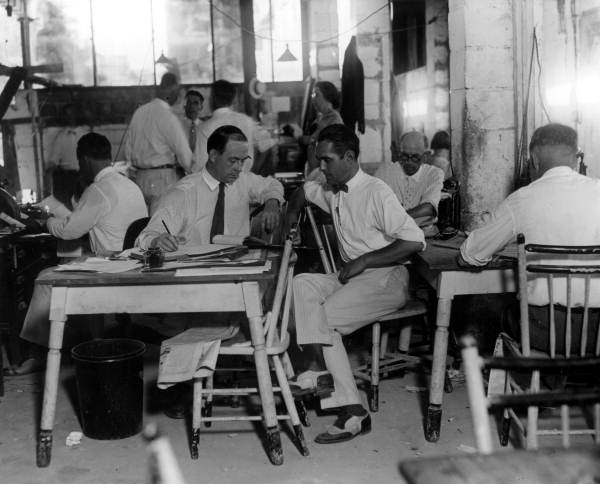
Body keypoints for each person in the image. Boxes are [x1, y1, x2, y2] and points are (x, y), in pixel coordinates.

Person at [285, 124, 425, 444]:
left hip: (387, 276)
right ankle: (319, 375)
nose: (321, 167)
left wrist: (365, 260)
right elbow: (301, 194)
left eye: (327, 160)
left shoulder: (376, 192)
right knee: (302, 284)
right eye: (319, 160)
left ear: (349, 157)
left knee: (326, 319)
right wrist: (290, 225)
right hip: (350, 276)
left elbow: (414, 241)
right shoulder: (333, 187)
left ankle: (353, 411)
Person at [8, 133, 148, 375]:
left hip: (109, 263)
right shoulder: (129, 184)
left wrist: (46, 221)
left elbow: (69, 231)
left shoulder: (99, 189)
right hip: (131, 260)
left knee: (45, 277)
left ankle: (38, 353)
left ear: (83, 159)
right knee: (71, 259)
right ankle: (92, 339)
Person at [459, 123, 600, 354]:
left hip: (543, 332)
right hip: (596, 333)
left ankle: (530, 377)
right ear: (576, 157)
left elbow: (470, 254)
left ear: (533, 159)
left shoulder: (522, 199)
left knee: (496, 306)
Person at [137, 125, 284, 251]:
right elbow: (145, 236)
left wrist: (272, 202)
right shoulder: (182, 193)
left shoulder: (243, 180)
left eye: (243, 161)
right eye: (233, 161)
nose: (239, 168)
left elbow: (273, 184)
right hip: (195, 275)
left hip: (238, 270)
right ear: (213, 155)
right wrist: (156, 241)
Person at [124, 72, 192, 212]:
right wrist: (194, 173)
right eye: (178, 92)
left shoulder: (139, 112)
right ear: (172, 91)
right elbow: (184, 154)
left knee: (143, 224)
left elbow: (127, 150)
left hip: (140, 178)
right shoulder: (168, 116)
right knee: (162, 226)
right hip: (162, 180)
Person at [374, 131, 444, 235]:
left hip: (421, 235)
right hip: (388, 233)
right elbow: (372, 204)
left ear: (425, 156)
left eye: (415, 157)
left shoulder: (434, 174)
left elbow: (428, 209)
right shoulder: (385, 171)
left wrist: (394, 219)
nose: (409, 162)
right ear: (399, 153)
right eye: (404, 156)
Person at [195, 80, 272, 173]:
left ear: (213, 99)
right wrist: (253, 171)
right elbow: (267, 143)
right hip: (244, 183)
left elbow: (199, 166)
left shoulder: (204, 128)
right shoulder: (246, 121)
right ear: (233, 99)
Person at [44, 103, 89, 196]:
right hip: (68, 177)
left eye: (71, 114)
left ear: (76, 115)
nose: (69, 118)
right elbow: (54, 159)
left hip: (84, 176)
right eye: (66, 115)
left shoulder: (85, 134)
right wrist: (49, 171)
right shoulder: (61, 136)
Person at [305, 81, 344, 174]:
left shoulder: (334, 119)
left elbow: (330, 148)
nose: (313, 98)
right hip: (314, 169)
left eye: (316, 94)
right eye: (312, 94)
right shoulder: (321, 117)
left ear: (327, 96)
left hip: (324, 172)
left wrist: (308, 139)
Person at [177, 89, 204, 167]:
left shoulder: (206, 127)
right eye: (189, 103)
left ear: (201, 107)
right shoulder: (177, 126)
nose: (192, 106)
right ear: (184, 106)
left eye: (195, 103)